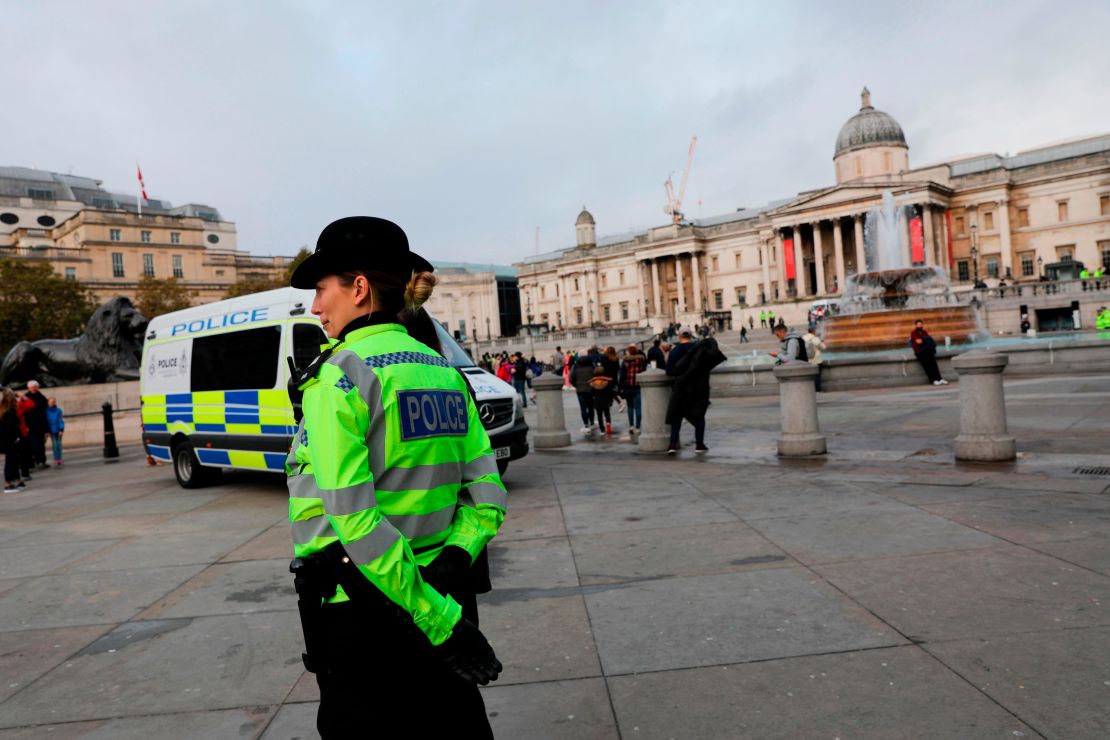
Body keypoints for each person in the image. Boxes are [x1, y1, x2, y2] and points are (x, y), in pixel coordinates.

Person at [284, 217, 505, 738]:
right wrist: (451, 563)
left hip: (362, 610)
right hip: (446, 591)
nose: (315, 307)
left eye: (321, 289)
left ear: (359, 288)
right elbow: (488, 495)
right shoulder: (443, 371)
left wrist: (433, 616)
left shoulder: (338, 375)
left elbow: (354, 520)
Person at [665, 326, 726, 454]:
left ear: (679, 336)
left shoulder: (674, 352)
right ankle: (699, 444)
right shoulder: (700, 349)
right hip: (697, 388)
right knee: (699, 416)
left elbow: (669, 371)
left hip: (680, 388)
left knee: (677, 416)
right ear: (691, 335)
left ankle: (672, 445)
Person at [2, 388, 27, 492]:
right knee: (10, 461)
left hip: (9, 440)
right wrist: (16, 438)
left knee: (13, 460)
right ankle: (8, 483)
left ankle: (16, 479)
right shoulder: (9, 412)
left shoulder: (6, 410)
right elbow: (10, 428)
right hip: (10, 440)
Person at [619, 344, 646, 436]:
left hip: (628, 387)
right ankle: (638, 427)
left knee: (630, 407)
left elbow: (622, 376)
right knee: (638, 407)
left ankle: (631, 426)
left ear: (629, 351)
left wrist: (620, 388)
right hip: (638, 386)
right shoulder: (641, 361)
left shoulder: (625, 362)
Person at [910, 319, 946, 385]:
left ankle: (939, 379)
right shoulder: (914, 332)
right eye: (918, 324)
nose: (920, 325)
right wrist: (926, 339)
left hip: (928, 351)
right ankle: (933, 380)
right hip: (920, 352)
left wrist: (924, 340)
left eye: (921, 324)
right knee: (927, 367)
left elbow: (923, 341)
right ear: (916, 325)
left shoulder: (924, 332)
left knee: (934, 365)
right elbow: (918, 341)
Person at [570, 351, 597, 434]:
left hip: (580, 389)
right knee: (591, 406)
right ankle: (592, 422)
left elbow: (571, 378)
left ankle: (586, 424)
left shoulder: (575, 365)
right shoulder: (592, 364)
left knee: (583, 408)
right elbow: (595, 375)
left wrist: (576, 385)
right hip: (591, 388)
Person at [24, 380, 48, 470]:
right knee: (33, 444)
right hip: (30, 425)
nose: (33, 388)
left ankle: (42, 461)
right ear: (28, 388)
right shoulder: (26, 397)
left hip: (41, 424)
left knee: (41, 444)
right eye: (32, 387)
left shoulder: (41, 397)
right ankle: (36, 461)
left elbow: (45, 411)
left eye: (35, 386)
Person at [801, 324, 826, 392]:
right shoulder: (815, 338)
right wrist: (823, 342)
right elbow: (823, 347)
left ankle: (808, 390)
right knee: (817, 376)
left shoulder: (803, 338)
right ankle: (817, 390)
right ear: (813, 331)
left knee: (808, 377)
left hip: (806, 361)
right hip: (816, 361)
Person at [46, 397, 64, 466]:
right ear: (48, 403)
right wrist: (47, 431)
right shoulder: (46, 411)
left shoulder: (58, 410)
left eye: (53, 402)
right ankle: (56, 458)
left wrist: (61, 429)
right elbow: (46, 422)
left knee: (58, 444)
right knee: (55, 445)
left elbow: (60, 420)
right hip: (51, 430)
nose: (52, 403)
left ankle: (59, 458)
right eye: (50, 402)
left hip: (58, 429)